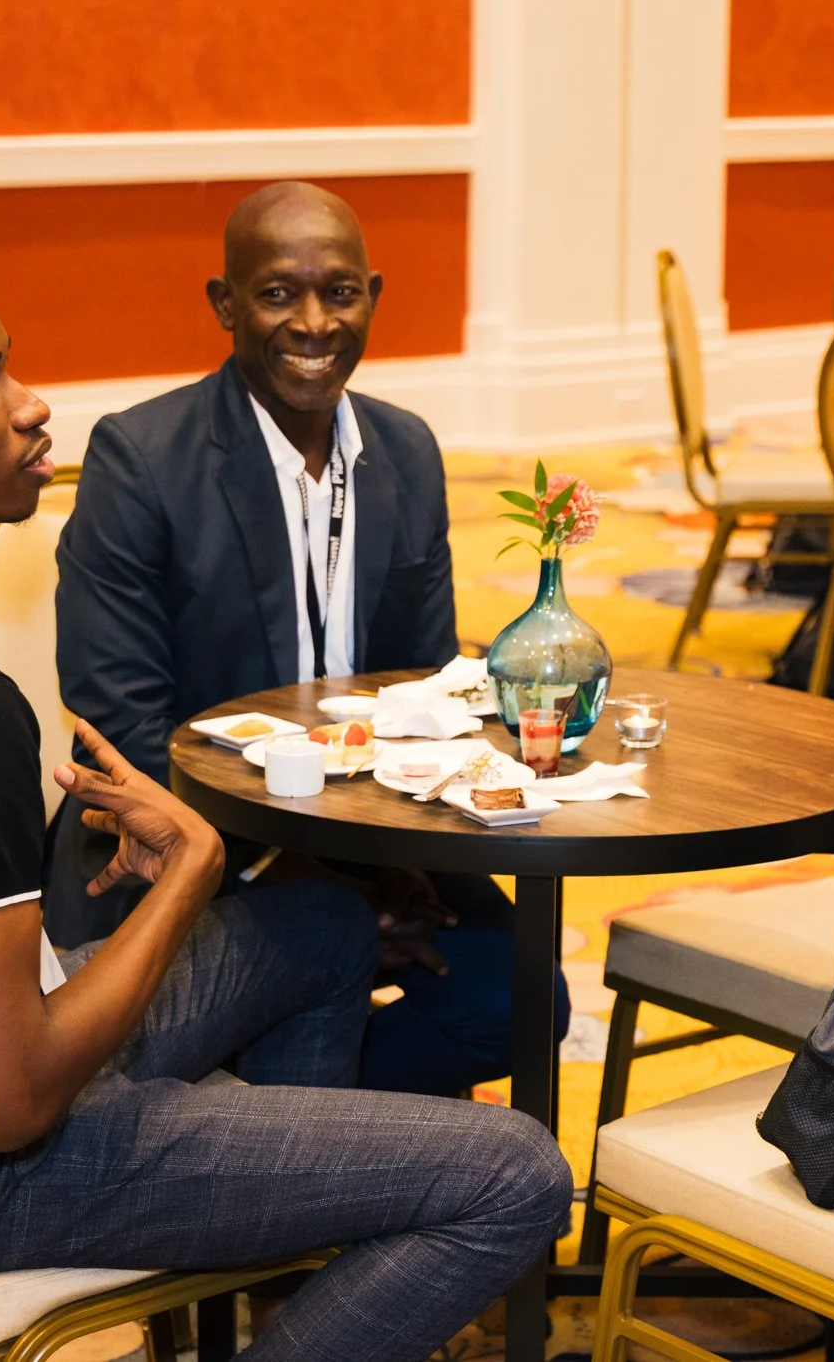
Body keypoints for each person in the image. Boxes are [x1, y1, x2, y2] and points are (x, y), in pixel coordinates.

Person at [0, 217, 573, 1362]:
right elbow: (11, 1104)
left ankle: (289, 1279)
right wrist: (188, 872)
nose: (33, 406)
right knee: (516, 1173)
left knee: (325, 923)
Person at [57, 181, 562, 1096]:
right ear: (225, 304)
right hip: (185, 842)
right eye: (278, 294)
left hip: (369, 834)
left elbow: (426, 691)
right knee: (314, 956)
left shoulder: (406, 452)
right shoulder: (142, 459)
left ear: (374, 295)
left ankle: (318, 1117)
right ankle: (284, 1112)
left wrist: (388, 870)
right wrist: (289, 872)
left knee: (521, 1000)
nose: (315, 323)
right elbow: (121, 724)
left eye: (340, 292)